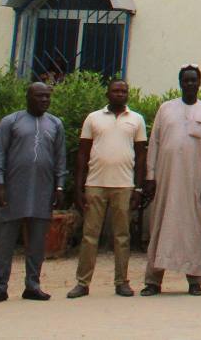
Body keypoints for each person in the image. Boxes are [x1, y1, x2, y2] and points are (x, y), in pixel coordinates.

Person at [0, 82, 66, 305]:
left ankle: (33, 285)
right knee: (6, 242)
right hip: (13, 190)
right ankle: (0, 288)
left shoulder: (55, 124)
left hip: (43, 189)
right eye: (40, 96)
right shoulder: (11, 122)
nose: (44, 100)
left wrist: (60, 186)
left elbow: (60, 159)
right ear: (28, 97)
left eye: (47, 97)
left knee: (38, 242)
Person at [141, 64, 201, 296]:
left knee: (194, 228)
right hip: (166, 179)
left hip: (196, 181)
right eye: (186, 80)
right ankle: (153, 281)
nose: (190, 84)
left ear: (200, 83)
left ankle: (195, 280)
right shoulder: (166, 109)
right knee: (160, 225)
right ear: (180, 83)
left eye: (194, 80)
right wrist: (150, 176)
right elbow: (153, 143)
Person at [67, 79, 147, 299]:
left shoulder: (136, 120)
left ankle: (121, 282)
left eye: (124, 91)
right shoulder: (93, 118)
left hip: (124, 186)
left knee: (122, 236)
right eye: (116, 91)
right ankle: (82, 283)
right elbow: (82, 153)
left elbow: (141, 156)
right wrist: (79, 187)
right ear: (107, 94)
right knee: (89, 236)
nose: (120, 94)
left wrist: (138, 188)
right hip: (95, 184)